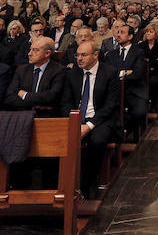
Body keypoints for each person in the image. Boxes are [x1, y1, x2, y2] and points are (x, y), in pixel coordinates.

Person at [62, 39, 121, 199]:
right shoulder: (73, 73)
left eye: (83, 55)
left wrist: (89, 125)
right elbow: (66, 102)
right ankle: (61, 187)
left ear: (95, 55)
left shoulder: (110, 72)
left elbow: (110, 105)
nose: (79, 59)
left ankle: (83, 188)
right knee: (59, 141)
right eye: (77, 55)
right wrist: (74, 121)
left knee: (96, 141)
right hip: (76, 118)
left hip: (101, 119)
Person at [3, 37, 66, 116]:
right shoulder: (21, 70)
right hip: (22, 116)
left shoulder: (59, 71)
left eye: (35, 50)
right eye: (30, 49)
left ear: (47, 53)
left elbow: (51, 97)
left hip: (47, 118)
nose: (29, 53)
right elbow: (9, 97)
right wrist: (34, 104)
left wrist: (25, 95)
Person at [110, 24, 147, 135]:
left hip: (134, 90)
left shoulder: (139, 52)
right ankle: (118, 132)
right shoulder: (111, 54)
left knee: (139, 113)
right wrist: (125, 72)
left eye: (122, 32)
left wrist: (118, 73)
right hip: (115, 91)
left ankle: (126, 130)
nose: (118, 35)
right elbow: (108, 74)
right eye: (117, 32)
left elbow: (137, 74)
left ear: (130, 36)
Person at [138, 23, 158, 110]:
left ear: (156, 33)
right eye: (147, 32)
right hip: (144, 72)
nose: (148, 33)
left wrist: (149, 63)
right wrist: (151, 64)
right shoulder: (141, 45)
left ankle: (153, 105)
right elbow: (140, 61)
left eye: (151, 32)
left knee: (153, 81)